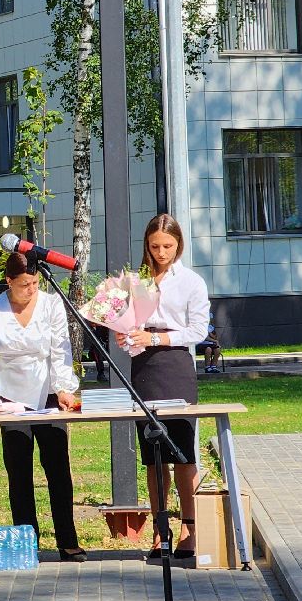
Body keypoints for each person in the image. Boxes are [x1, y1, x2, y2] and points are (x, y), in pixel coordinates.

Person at [0, 251, 85, 562]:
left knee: (58, 467)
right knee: (19, 470)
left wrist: (63, 388)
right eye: (24, 284)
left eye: (35, 283)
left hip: (47, 391)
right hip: (9, 395)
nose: (31, 289)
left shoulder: (51, 304)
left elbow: (60, 349)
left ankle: (67, 539)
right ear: (9, 282)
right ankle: (27, 541)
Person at [116, 213, 211, 560]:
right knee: (153, 458)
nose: (161, 253)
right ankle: (161, 529)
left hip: (175, 365)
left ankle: (190, 527)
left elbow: (198, 331)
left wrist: (157, 337)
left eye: (168, 246)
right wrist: (123, 331)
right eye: (155, 246)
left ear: (179, 244)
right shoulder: (135, 280)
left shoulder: (191, 282)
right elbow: (125, 321)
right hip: (143, 367)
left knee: (183, 454)